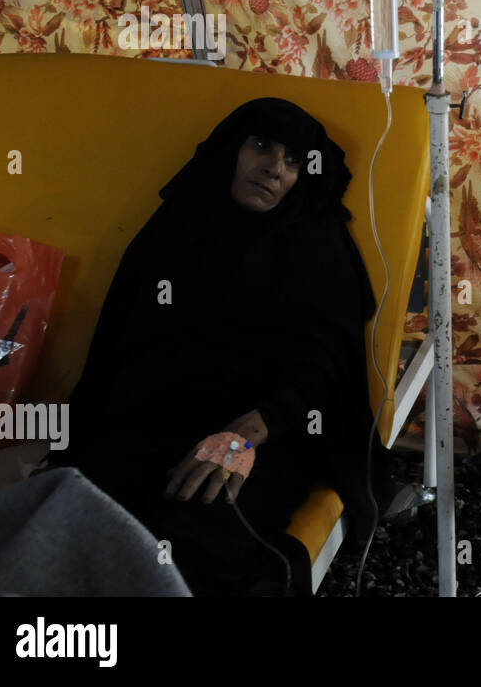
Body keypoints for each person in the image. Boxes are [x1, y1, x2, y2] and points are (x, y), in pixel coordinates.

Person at [45, 98, 382, 596]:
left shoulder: (314, 246)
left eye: (293, 161)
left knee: (195, 542)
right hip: (152, 417)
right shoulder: (178, 225)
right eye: (263, 146)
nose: (273, 168)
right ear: (233, 149)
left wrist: (244, 435)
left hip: (264, 432)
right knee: (71, 520)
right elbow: (123, 344)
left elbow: (324, 369)